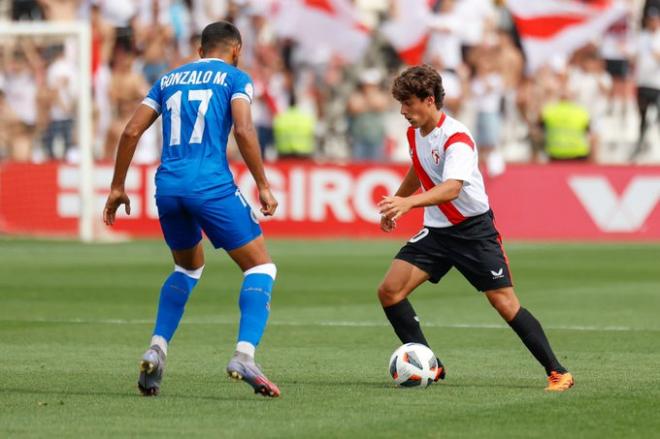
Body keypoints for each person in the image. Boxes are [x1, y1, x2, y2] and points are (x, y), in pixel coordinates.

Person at [103, 21, 281, 398]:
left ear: (200, 50)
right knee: (261, 266)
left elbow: (131, 131)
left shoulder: (168, 79)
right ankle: (244, 354)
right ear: (237, 49)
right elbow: (245, 131)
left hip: (167, 188)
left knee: (187, 266)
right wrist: (263, 185)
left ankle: (157, 347)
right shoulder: (236, 78)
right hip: (210, 186)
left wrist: (118, 186)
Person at [377, 65, 573, 392]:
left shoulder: (457, 138)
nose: (403, 111)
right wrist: (397, 201)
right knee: (389, 291)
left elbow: (452, 188)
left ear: (429, 100)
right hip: (438, 232)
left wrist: (409, 205)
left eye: (408, 103)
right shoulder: (414, 133)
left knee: (504, 303)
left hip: (473, 232)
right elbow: (419, 167)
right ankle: (430, 365)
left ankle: (557, 372)